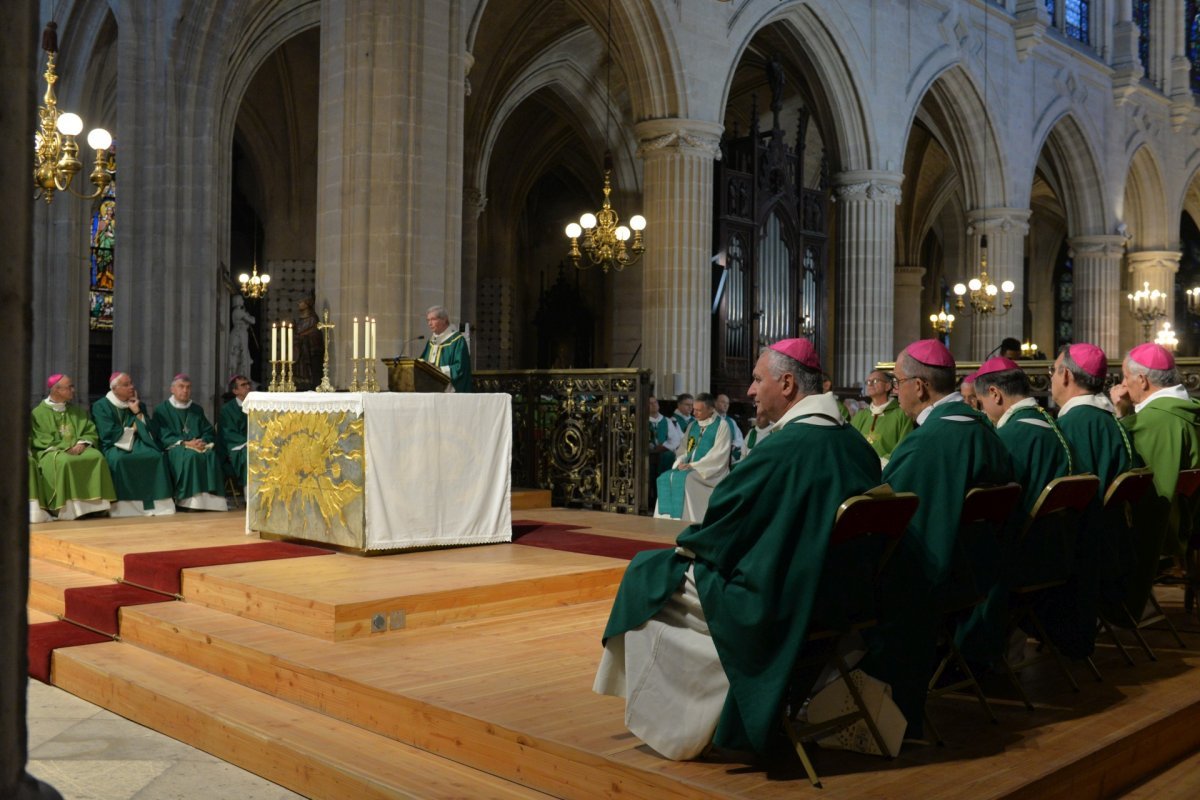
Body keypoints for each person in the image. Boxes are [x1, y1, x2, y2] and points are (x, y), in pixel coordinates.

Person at [594, 339, 881, 759]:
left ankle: (682, 726)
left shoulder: (783, 450)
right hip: (839, 600)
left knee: (647, 575)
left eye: (757, 378)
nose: (749, 389)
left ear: (786, 384)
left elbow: (720, 529)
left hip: (777, 602)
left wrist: (689, 546)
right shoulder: (856, 446)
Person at [860, 339, 1014, 739]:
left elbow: (894, 520)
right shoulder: (985, 429)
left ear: (920, 386)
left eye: (897, 381)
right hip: (979, 574)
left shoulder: (931, 443)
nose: (895, 390)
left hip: (931, 580)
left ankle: (869, 711)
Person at [959, 356, 1074, 664]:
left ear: (995, 394)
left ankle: (965, 657)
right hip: (1055, 554)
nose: (982, 410)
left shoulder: (1010, 437)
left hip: (1019, 560)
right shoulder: (1052, 426)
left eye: (981, 402)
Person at [1048, 342, 1135, 658]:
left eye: (1054, 370)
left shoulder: (1074, 424)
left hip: (1080, 551)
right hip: (1113, 543)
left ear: (1067, 375)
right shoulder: (1109, 420)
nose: (1052, 378)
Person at [1110, 343, 1200, 611]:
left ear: (1143, 380)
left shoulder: (1154, 421)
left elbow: (1145, 490)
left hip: (1169, 528)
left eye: (1125, 377)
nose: (1123, 385)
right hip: (1194, 518)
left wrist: (1120, 416)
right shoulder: (1190, 409)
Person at [30, 374, 116, 520]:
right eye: (69, 387)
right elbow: (41, 439)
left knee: (96, 456)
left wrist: (82, 443)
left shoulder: (76, 411)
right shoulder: (38, 413)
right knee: (65, 461)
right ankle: (67, 510)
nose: (73, 390)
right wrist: (66, 447)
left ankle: (96, 508)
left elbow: (89, 430)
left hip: (77, 448)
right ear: (57, 390)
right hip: (50, 452)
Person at [92, 372, 176, 517]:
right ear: (114, 389)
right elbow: (107, 432)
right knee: (120, 460)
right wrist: (132, 430)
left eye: (131, 383)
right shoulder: (101, 406)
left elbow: (150, 430)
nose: (131, 387)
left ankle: (158, 506)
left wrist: (137, 411)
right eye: (126, 385)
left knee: (156, 456)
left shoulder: (138, 403)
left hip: (139, 442)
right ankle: (123, 508)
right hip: (115, 446)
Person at [152, 374, 228, 511]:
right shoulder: (161, 410)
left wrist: (202, 441)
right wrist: (185, 443)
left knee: (211, 455)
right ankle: (189, 502)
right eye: (181, 387)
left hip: (198, 446)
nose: (185, 390)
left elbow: (208, 430)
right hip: (175, 448)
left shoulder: (196, 409)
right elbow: (163, 435)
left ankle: (211, 503)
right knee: (192, 457)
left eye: (188, 387)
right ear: (172, 389)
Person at [653, 393, 731, 523]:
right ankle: (665, 520)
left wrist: (693, 466)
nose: (694, 413)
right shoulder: (693, 426)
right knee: (665, 477)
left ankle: (689, 521)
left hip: (711, 472)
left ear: (711, 409)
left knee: (687, 479)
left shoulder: (722, 426)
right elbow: (684, 449)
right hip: (690, 467)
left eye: (699, 410)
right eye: (694, 409)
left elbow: (718, 454)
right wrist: (680, 461)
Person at [850, 369, 914, 463]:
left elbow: (904, 445)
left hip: (888, 470)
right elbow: (849, 443)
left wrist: (882, 462)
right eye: (867, 382)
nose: (870, 384)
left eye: (875, 381)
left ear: (888, 386)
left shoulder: (902, 414)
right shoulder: (861, 415)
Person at [420, 305, 472, 393]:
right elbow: (422, 364)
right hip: (430, 390)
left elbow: (460, 367)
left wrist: (439, 371)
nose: (429, 323)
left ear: (444, 320)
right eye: (428, 320)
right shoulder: (431, 342)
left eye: (433, 319)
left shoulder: (457, 340)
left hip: (450, 391)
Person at [218, 374, 253, 487]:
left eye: (248, 384)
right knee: (249, 456)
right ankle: (249, 495)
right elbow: (228, 433)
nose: (247, 387)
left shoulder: (256, 406)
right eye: (243, 385)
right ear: (235, 391)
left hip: (253, 443)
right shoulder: (227, 409)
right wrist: (247, 442)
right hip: (236, 447)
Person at [295, 296, 322, 391]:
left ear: (307, 303)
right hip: (299, 348)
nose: (298, 303)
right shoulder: (300, 319)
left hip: (309, 350)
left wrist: (303, 336)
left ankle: (308, 381)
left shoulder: (313, 319)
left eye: (301, 301)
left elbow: (315, 332)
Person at [228, 295, 255, 384]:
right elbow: (252, 321)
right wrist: (248, 316)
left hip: (241, 332)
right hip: (239, 333)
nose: (243, 301)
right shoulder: (238, 312)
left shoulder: (238, 312)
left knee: (244, 354)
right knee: (242, 354)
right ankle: (242, 376)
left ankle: (244, 375)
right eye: (241, 300)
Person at [713, 393, 745, 462]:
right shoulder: (709, 419)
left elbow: (739, 439)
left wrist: (734, 445)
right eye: (723, 402)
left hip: (729, 452)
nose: (726, 405)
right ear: (715, 403)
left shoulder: (731, 421)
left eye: (727, 403)